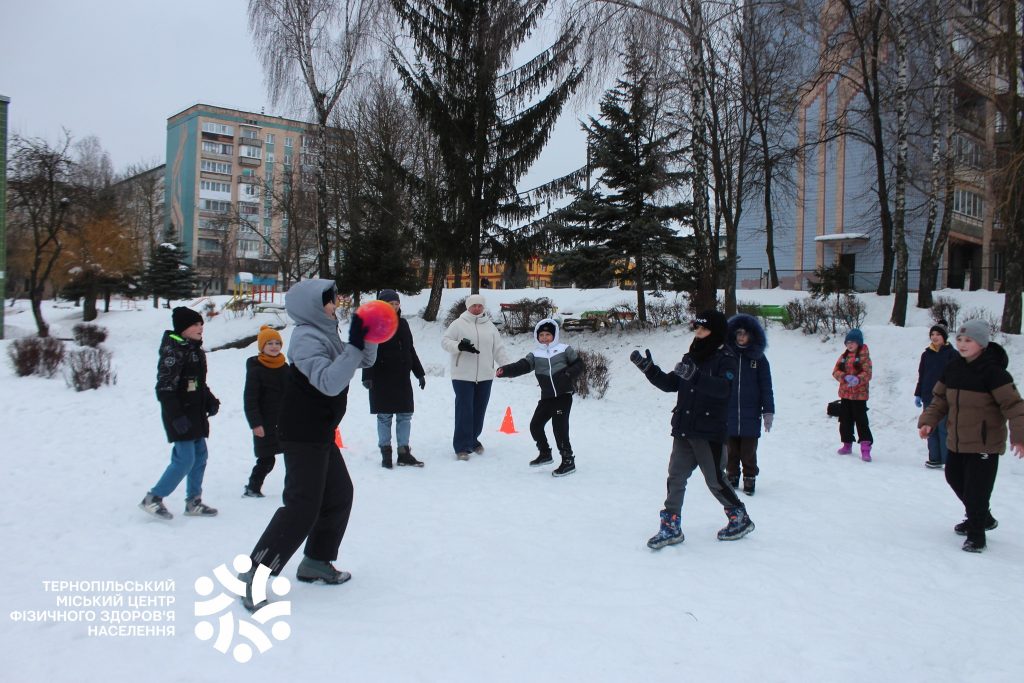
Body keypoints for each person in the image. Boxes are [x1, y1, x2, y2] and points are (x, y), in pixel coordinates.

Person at [241, 280, 376, 609]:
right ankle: (255, 573)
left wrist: (368, 337)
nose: (335, 304)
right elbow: (330, 382)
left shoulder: (327, 332)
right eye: (329, 301)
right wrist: (355, 347)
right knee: (302, 507)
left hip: (320, 430)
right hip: (302, 432)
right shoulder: (305, 338)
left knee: (339, 495)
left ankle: (316, 560)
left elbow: (363, 362)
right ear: (313, 306)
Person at [631, 310, 754, 549]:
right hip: (684, 427)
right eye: (696, 328)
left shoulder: (726, 358)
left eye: (703, 328)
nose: (698, 332)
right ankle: (670, 527)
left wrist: (695, 376)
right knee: (676, 476)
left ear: (715, 332)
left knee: (715, 480)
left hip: (709, 432)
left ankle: (740, 517)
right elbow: (671, 383)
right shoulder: (691, 356)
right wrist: (649, 369)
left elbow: (724, 389)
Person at [918, 320, 1024, 553]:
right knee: (954, 477)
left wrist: (1019, 436)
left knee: (977, 490)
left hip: (985, 443)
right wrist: (928, 421)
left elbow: (1014, 406)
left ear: (982, 344)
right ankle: (983, 517)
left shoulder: (994, 373)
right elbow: (940, 399)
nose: (963, 344)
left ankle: (977, 535)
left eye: (969, 340)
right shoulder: (953, 368)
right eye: (960, 339)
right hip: (957, 440)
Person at [139, 306, 220, 520]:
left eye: (201, 324)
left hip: (195, 413)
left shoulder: (195, 351)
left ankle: (194, 501)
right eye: (195, 324)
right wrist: (176, 416)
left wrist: (210, 400)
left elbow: (199, 383)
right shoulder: (173, 352)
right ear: (182, 328)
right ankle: (153, 498)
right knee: (185, 459)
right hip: (179, 414)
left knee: (200, 456)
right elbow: (165, 387)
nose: (200, 327)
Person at [496, 318, 584, 477]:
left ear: (554, 335)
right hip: (547, 397)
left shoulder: (564, 349)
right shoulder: (535, 354)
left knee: (559, 428)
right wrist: (506, 370)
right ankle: (545, 453)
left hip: (563, 396)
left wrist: (568, 374)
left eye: (548, 334)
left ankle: (568, 460)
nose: (544, 338)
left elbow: (579, 364)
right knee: (535, 426)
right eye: (541, 335)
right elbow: (522, 366)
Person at [441, 293, 511, 460]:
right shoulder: (458, 324)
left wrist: (506, 366)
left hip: (485, 375)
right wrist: (459, 346)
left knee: (479, 410)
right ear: (468, 307)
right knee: (465, 410)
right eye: (474, 305)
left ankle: (473, 440)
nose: (477, 308)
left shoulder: (490, 326)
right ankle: (461, 446)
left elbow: (498, 348)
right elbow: (445, 341)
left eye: (480, 306)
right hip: (462, 375)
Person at [361, 289, 426, 469]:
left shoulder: (403, 324)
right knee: (384, 416)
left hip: (402, 377)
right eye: (391, 304)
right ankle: (386, 453)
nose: (394, 307)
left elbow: (410, 349)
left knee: (405, 415)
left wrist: (419, 372)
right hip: (381, 377)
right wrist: (367, 376)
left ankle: (404, 453)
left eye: (397, 304)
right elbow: (368, 352)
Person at [724, 314, 775, 496]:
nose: (741, 337)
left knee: (749, 450)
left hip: (751, 413)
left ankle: (750, 476)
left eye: (745, 334)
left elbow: (766, 386)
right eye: (738, 333)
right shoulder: (726, 356)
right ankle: (732, 474)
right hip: (729, 412)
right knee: (730, 448)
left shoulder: (759, 359)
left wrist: (768, 411)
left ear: (752, 335)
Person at [242, 325, 288, 497]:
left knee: (293, 455)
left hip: (285, 421)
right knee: (267, 459)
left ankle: (295, 488)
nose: (274, 346)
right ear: (262, 346)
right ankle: (252, 487)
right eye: (269, 343)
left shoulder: (285, 367)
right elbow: (250, 400)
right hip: (265, 423)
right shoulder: (256, 370)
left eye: (277, 343)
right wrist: (255, 423)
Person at [914, 321, 957, 469]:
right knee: (929, 428)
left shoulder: (952, 354)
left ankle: (948, 459)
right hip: (928, 396)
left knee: (944, 428)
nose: (934, 337)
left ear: (944, 337)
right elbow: (922, 375)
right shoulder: (926, 355)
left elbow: (956, 376)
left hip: (945, 398)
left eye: (938, 334)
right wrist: (918, 393)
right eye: (932, 334)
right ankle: (934, 458)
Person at [832, 328, 874, 461]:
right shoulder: (843, 357)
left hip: (859, 395)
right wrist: (844, 377)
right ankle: (847, 443)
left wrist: (857, 379)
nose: (850, 345)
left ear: (859, 343)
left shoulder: (864, 356)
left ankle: (865, 447)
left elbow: (867, 373)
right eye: (848, 342)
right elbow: (835, 371)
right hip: (845, 394)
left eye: (853, 342)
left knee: (861, 421)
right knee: (845, 420)